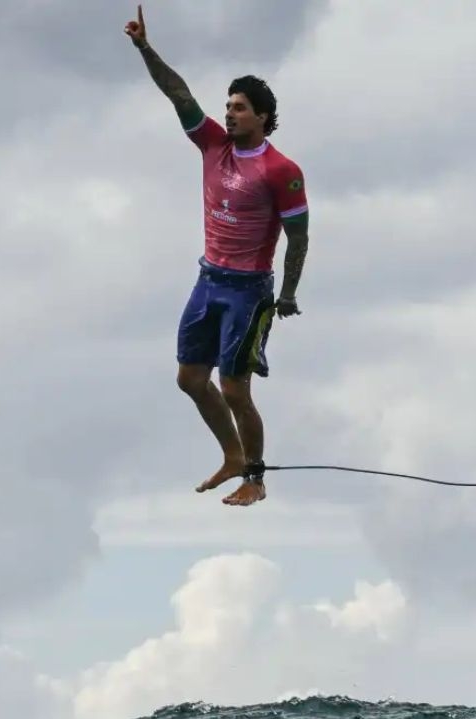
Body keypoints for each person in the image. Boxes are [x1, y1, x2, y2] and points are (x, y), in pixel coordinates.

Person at [125, 5, 310, 507]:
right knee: (189, 379)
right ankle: (231, 454)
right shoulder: (212, 145)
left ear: (264, 118)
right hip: (208, 279)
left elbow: (299, 235)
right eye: (228, 105)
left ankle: (255, 476)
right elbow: (178, 92)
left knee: (234, 389)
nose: (229, 113)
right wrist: (144, 47)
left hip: (249, 291)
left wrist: (288, 293)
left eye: (240, 107)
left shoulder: (281, 169)